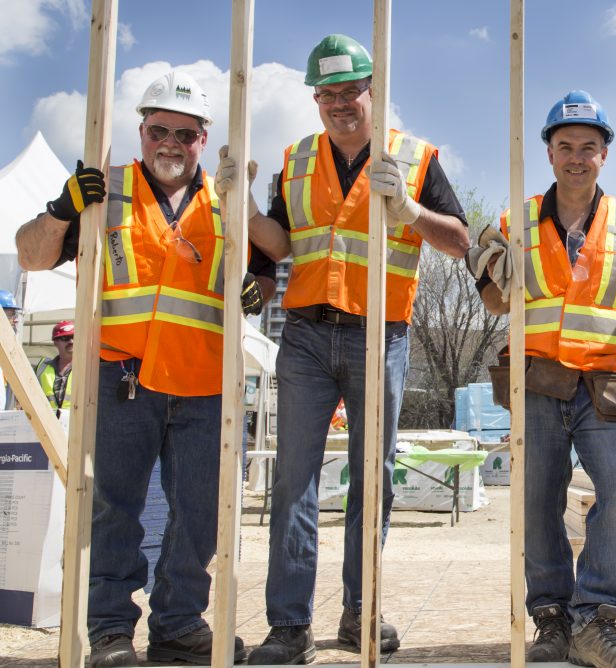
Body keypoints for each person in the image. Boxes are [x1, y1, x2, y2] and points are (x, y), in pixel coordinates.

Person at [14, 70, 271, 668]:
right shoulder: (104, 192)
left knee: (200, 510)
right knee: (114, 507)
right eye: (160, 129)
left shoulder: (225, 199)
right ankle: (107, 631)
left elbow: (262, 271)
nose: (171, 143)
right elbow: (30, 253)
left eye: (185, 132)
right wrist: (61, 207)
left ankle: (180, 623)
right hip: (122, 374)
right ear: (142, 131)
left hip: (204, 380)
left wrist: (255, 293)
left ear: (204, 138)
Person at [226, 34, 469, 665]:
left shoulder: (414, 158)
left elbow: (460, 241)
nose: (340, 104)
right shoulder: (297, 160)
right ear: (315, 99)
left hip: (379, 334)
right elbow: (277, 250)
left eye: (350, 91)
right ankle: (288, 626)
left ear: (373, 93)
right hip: (305, 334)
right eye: (327, 94)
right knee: (293, 482)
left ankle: (361, 611)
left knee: (373, 480)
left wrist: (410, 208)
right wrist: (246, 209)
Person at [474, 90, 616, 668]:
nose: (577, 157)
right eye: (566, 146)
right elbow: (498, 303)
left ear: (605, 155)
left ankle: (594, 620)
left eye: (589, 148)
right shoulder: (516, 220)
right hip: (539, 382)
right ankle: (551, 619)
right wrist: (483, 264)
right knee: (538, 500)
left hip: (603, 382)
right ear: (549, 153)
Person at [35, 320, 74, 416]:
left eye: (74, 337)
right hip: (48, 423)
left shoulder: (89, 367)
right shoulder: (42, 368)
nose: (71, 341)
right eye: (66, 338)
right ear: (55, 342)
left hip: (78, 424)